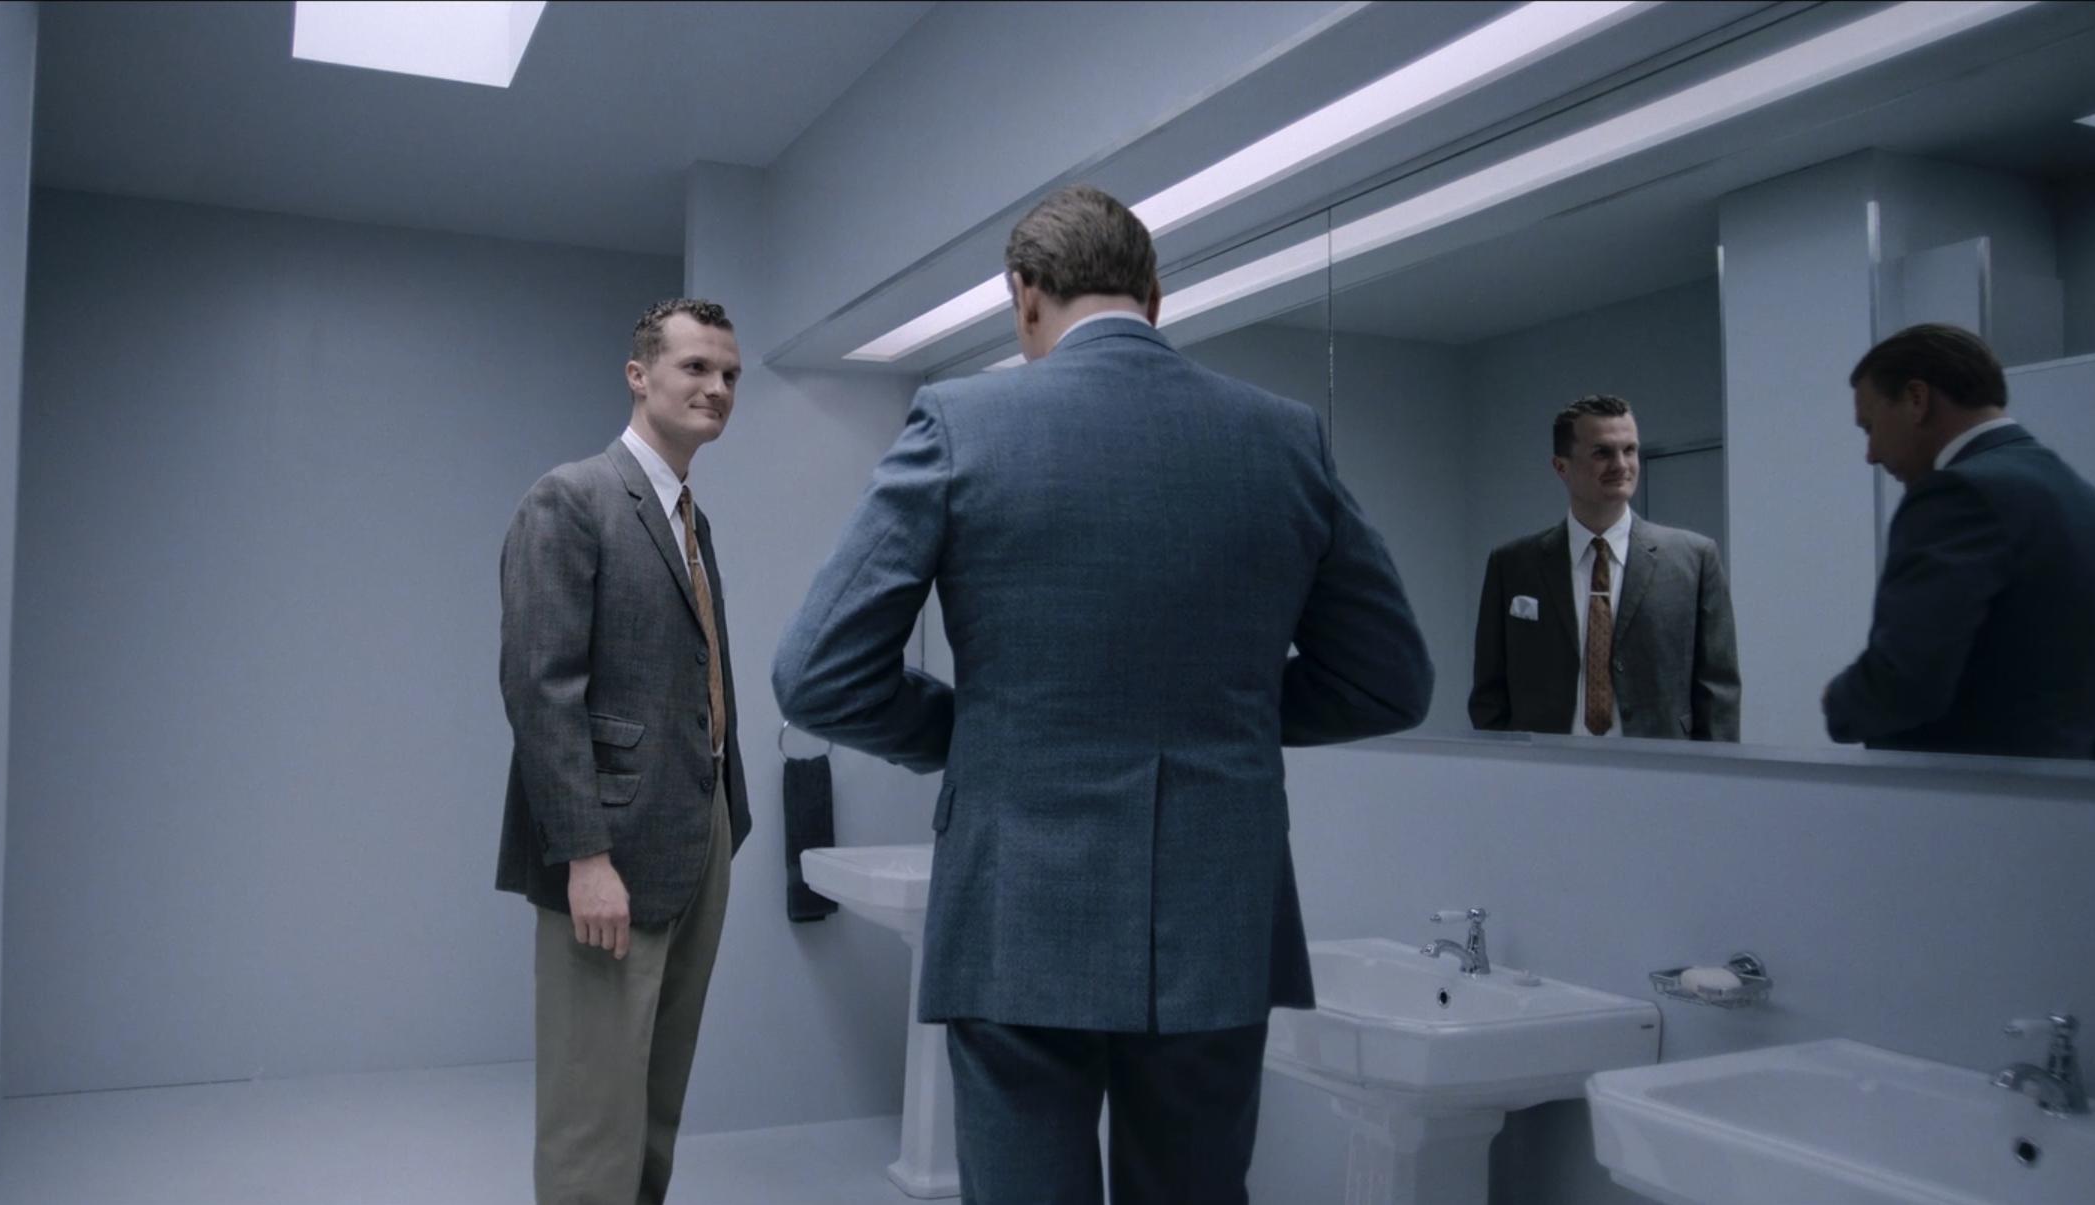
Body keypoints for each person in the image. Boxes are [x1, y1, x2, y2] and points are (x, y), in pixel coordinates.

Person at [772, 185, 1431, 1204]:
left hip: (1015, 906)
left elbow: (815, 672)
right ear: (1154, 297)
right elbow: (1390, 680)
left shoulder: (961, 424)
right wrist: (1230, 708)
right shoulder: (1283, 436)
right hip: (1217, 906)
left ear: (1024, 295)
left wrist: (966, 729)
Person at [495, 298, 753, 1204]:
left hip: (700, 828)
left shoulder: (690, 519)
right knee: (594, 1110)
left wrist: (723, 817)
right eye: (696, 367)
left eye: (730, 373)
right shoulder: (571, 499)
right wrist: (585, 854)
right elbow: (541, 687)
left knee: (655, 1100)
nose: (717, 387)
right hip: (609, 849)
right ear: (639, 375)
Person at [1824, 322, 2095, 760]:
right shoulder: (2081, 497)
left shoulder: (1956, 496)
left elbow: (1905, 682)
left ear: (1916, 399)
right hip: (2072, 788)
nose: (1871, 454)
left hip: (1968, 794)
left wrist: (1838, 701)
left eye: (1869, 426)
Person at [1468, 394, 1740, 741]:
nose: (1621, 465)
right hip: (1544, 766)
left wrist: (1715, 770)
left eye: (1630, 450)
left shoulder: (1694, 560)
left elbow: (1718, 693)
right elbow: (1489, 692)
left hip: (1661, 764)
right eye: (1602, 452)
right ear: (1561, 467)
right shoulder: (1512, 565)